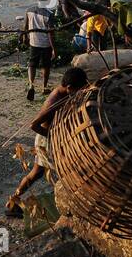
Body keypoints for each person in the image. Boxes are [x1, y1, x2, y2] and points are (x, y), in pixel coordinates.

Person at [5, 67, 89, 217]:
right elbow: (34, 125)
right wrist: (54, 137)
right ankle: (14, 203)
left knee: (36, 173)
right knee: (65, 170)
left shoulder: (64, 92)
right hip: (46, 140)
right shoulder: (55, 100)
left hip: (52, 137)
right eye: (78, 90)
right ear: (69, 87)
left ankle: (12, 201)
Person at [21, 0, 56, 100]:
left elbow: (25, 26)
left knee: (32, 64)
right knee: (46, 65)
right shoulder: (49, 14)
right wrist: (54, 48)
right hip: (45, 44)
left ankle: (31, 84)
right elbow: (50, 33)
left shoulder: (29, 10)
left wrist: (24, 37)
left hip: (34, 42)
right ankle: (44, 87)